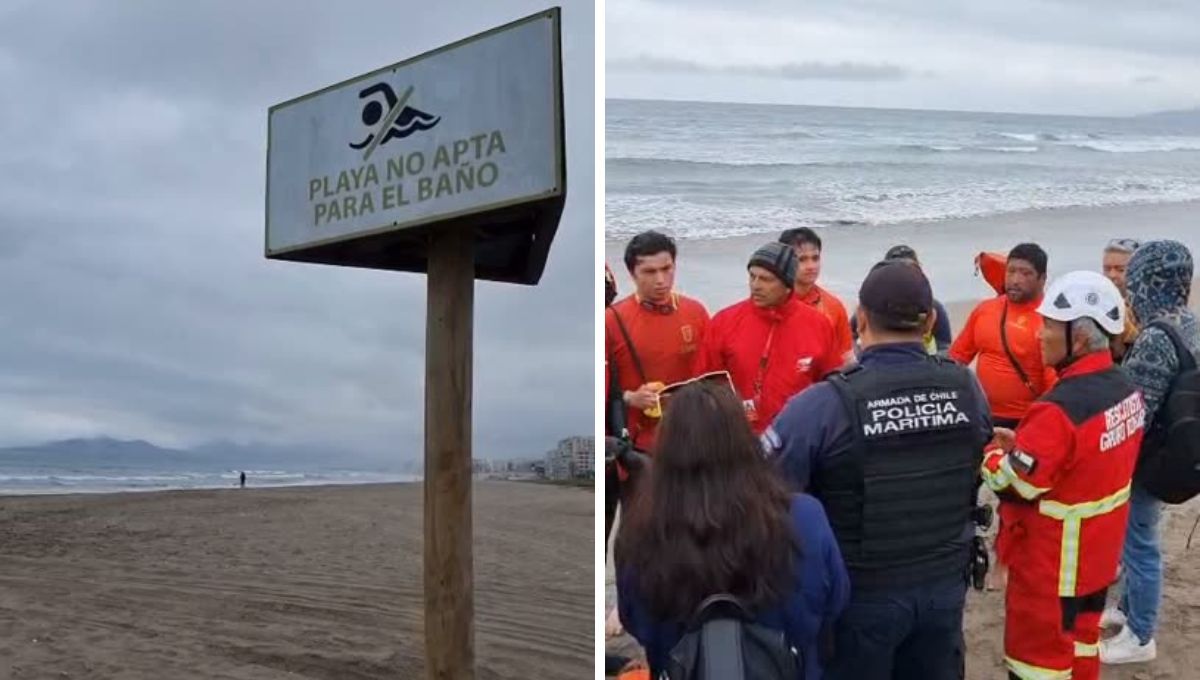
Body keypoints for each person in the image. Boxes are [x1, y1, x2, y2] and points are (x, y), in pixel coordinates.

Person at [765, 261, 993, 680]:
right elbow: (978, 447)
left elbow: (767, 492)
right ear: (928, 322)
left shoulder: (824, 404)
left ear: (861, 317)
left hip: (862, 595)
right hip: (945, 583)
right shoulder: (966, 387)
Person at [616, 380, 850, 679]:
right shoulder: (806, 516)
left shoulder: (640, 531)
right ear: (746, 442)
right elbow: (835, 602)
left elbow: (636, 621)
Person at [980, 270, 1144, 680]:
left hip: (1052, 567)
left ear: (1082, 338)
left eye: (1050, 326)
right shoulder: (1126, 388)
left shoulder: (1058, 409)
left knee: (1036, 666)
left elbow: (1016, 483)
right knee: (1083, 646)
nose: (1040, 335)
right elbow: (1082, 459)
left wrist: (991, 454)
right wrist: (1026, 442)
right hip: (1098, 558)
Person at [1101, 240, 1198, 664]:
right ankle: (1127, 611)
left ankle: (1140, 635)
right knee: (1139, 537)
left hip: (1148, 459)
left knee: (1138, 542)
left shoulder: (1156, 337)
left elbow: (1133, 413)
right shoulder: (1191, 322)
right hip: (1177, 451)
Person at [694, 242, 843, 434]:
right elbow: (703, 386)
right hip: (740, 439)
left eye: (766, 279)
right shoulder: (724, 321)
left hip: (798, 437)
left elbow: (832, 386)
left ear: (787, 285)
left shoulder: (818, 324)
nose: (755, 285)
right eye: (752, 276)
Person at [605, 230, 710, 453]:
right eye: (649, 272)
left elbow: (712, 373)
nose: (660, 280)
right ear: (632, 274)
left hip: (691, 433)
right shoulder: (612, 320)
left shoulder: (696, 312)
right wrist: (631, 397)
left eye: (666, 269)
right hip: (639, 440)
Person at [950, 243, 1058, 429]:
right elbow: (956, 360)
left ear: (1042, 278)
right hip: (982, 414)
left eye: (1025, 273)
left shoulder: (1050, 322)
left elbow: (1055, 386)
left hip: (1027, 420)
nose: (1015, 280)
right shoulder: (985, 310)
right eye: (1011, 271)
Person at [850, 244, 953, 355]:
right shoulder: (871, 306)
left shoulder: (932, 306)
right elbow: (848, 337)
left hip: (921, 360)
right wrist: (860, 357)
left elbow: (944, 345)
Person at [780, 227, 854, 363]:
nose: (811, 266)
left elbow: (846, 358)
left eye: (815, 258)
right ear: (784, 261)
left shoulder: (833, 306)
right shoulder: (771, 304)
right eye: (802, 259)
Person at [1101, 238, 1142, 361]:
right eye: (1107, 269)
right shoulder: (1098, 306)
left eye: (1120, 270)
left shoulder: (1148, 308)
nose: (1112, 275)